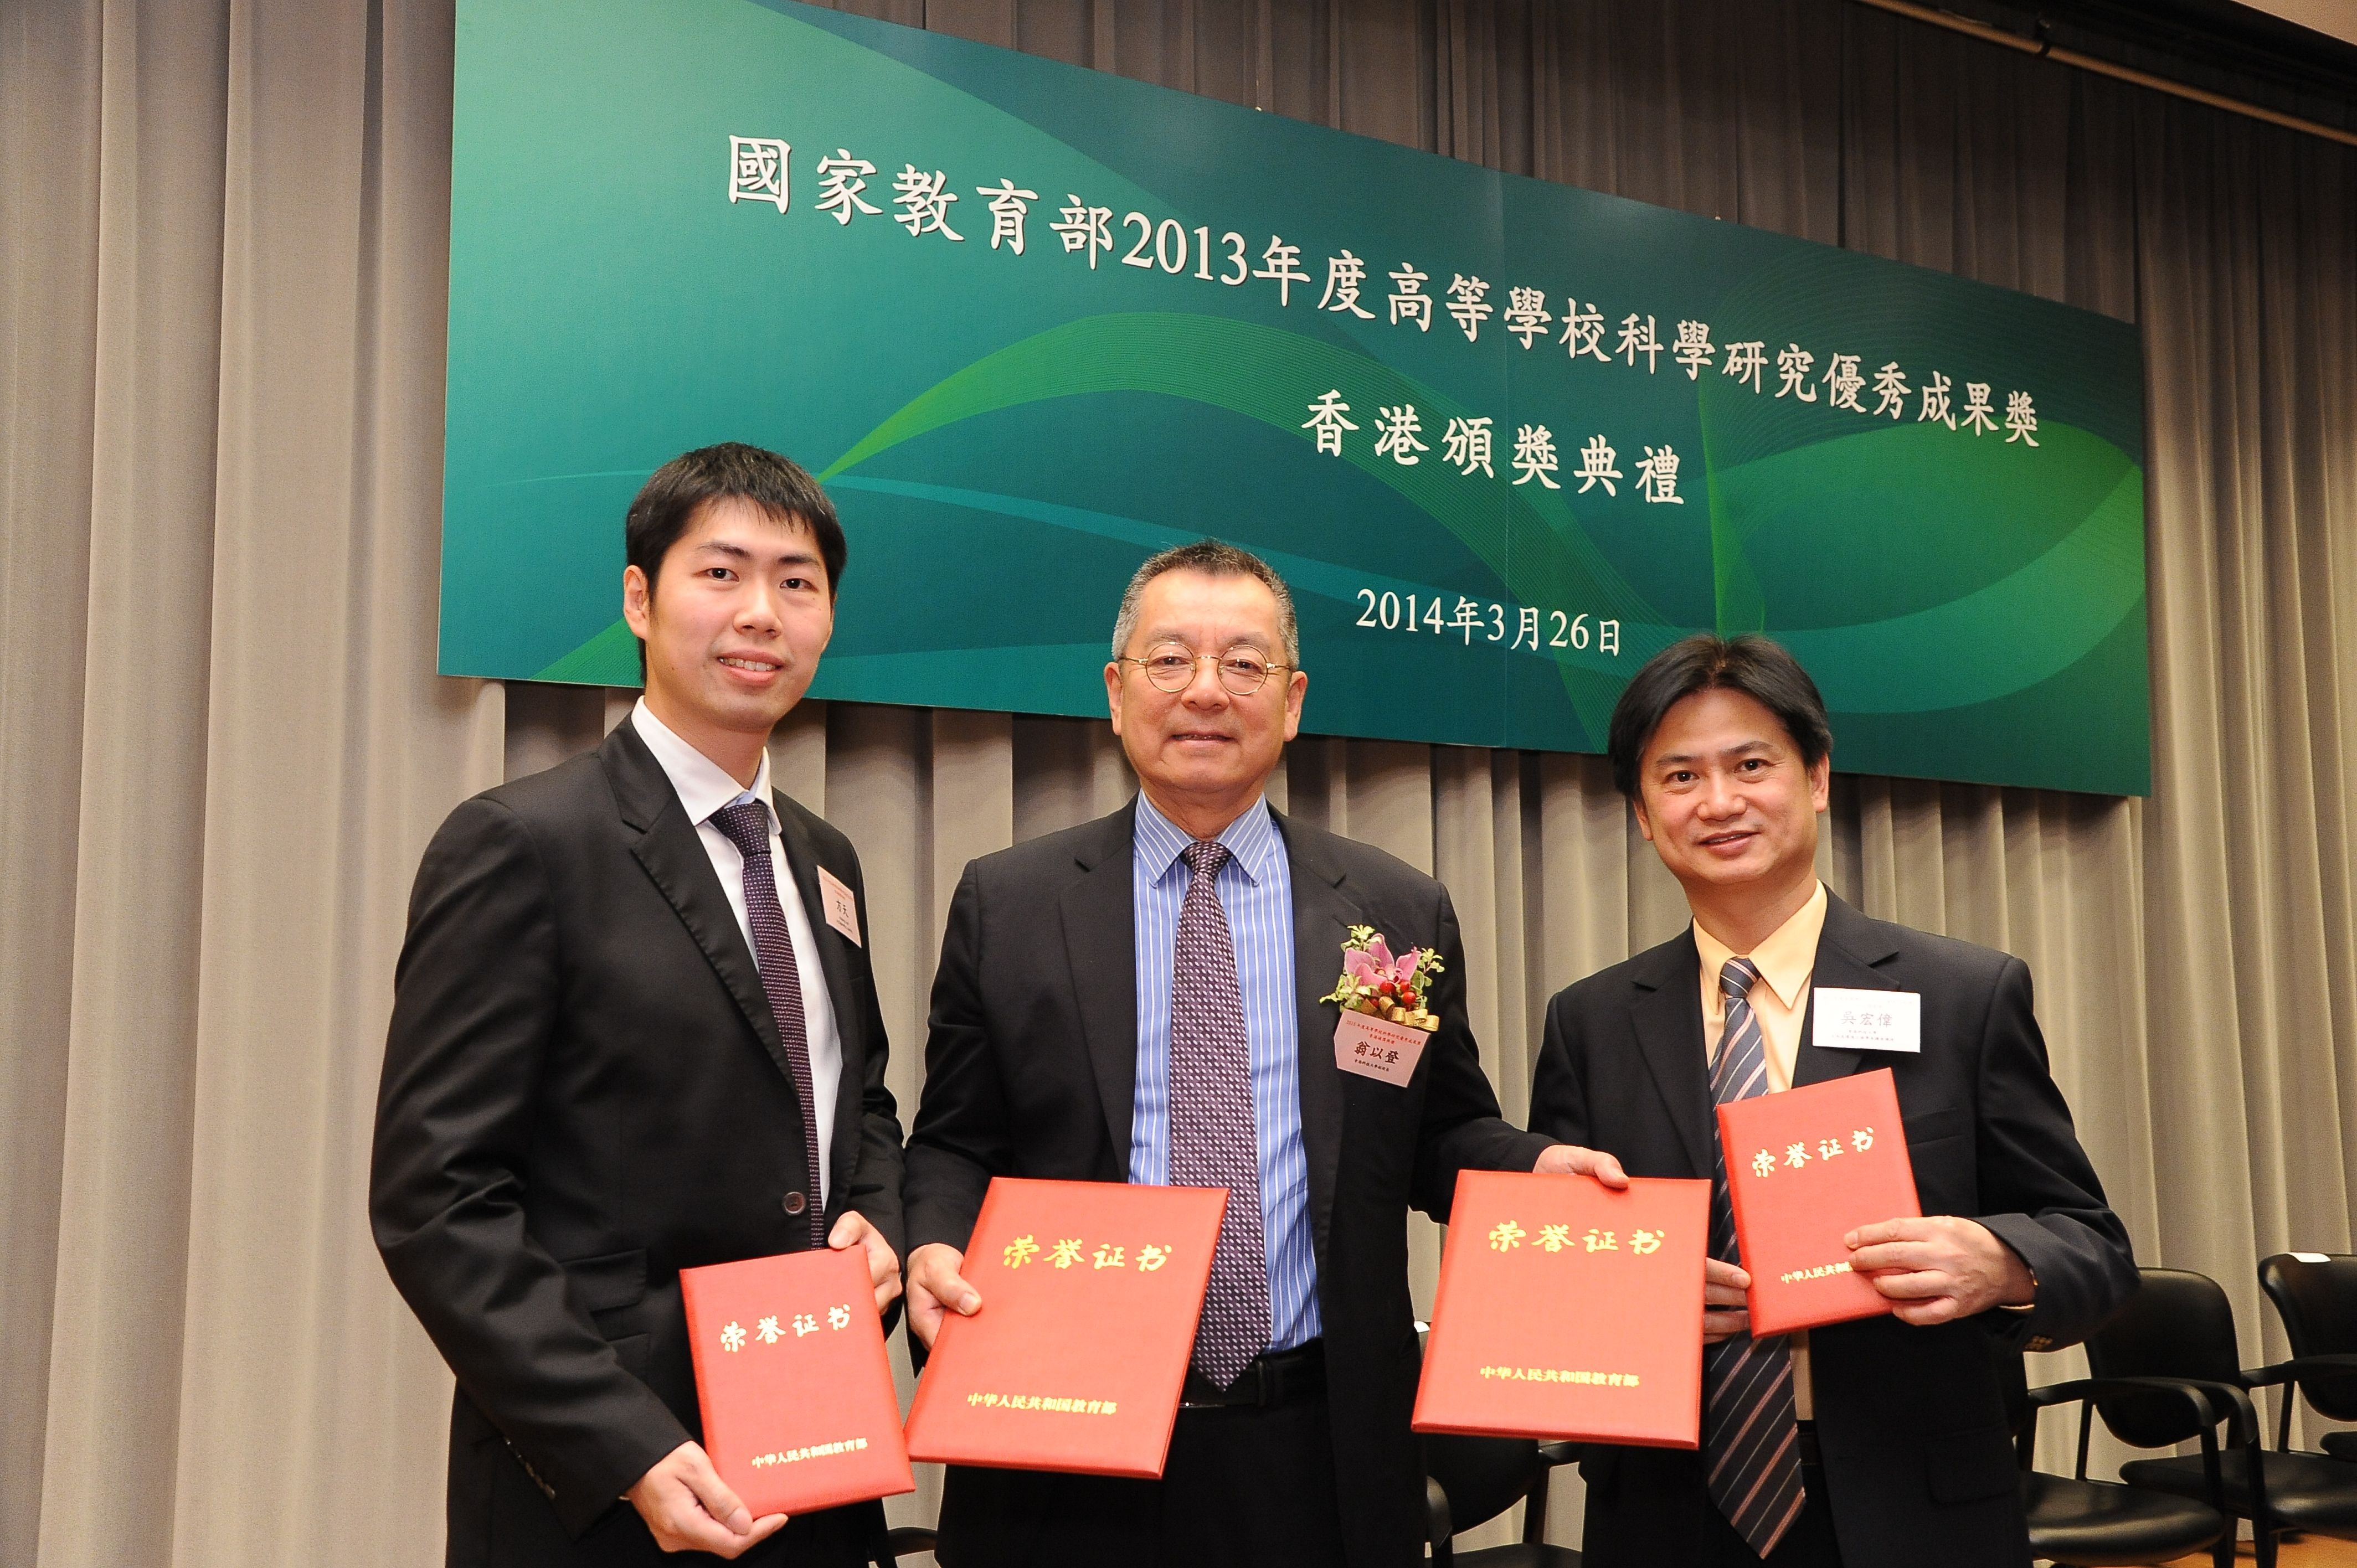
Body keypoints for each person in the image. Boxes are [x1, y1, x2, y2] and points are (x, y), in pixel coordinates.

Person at [900, 540, 1609, 1568]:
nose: (1206, 692)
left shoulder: (1393, 910)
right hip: (1067, 1433)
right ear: (1116, 690)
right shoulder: (1009, 904)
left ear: (1292, 699)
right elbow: (955, 1140)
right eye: (1170, 659)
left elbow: (1442, 1130)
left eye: (1244, 664)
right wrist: (933, 1240)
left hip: (1317, 1443)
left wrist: (1534, 1168)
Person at [370, 444, 905, 1567]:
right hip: (610, 1488)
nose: (762, 613)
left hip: (814, 1449)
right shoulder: (521, 844)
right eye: (721, 574)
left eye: (797, 583)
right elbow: (439, 1199)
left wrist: (880, 1222)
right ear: (638, 599)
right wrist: (624, 1447)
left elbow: (860, 1105)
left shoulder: (826, 859)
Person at [1529, 633, 2136, 1568]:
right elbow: (1559, 1277)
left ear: (1816, 778)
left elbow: (2093, 1244)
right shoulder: (1591, 1021)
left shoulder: (1960, 994)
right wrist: (1628, 1303)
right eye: (1680, 777)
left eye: (1751, 765)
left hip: (1912, 1506)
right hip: (1669, 1510)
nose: (1720, 801)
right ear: (1644, 816)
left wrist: (2002, 1262)